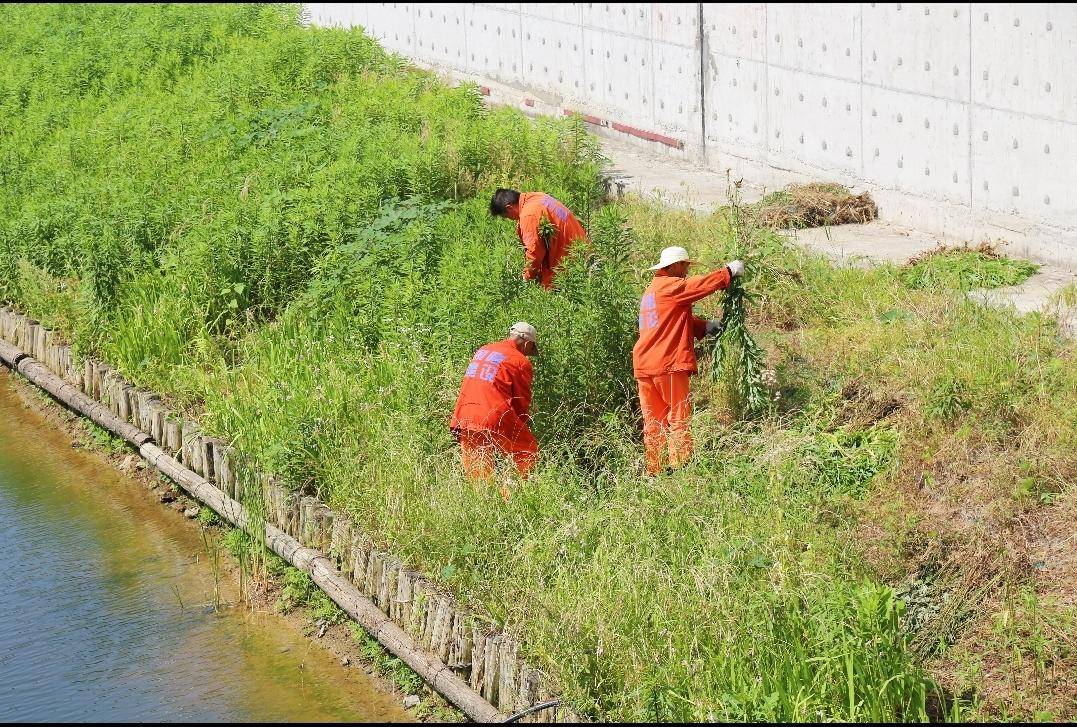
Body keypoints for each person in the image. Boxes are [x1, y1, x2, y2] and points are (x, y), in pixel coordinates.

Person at [632, 246, 745, 475]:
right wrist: (728, 272)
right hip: (668, 364)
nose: (686, 271)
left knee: (654, 423)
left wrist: (704, 326)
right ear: (672, 266)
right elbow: (699, 286)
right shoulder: (671, 286)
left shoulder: (651, 292)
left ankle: (656, 471)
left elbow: (668, 320)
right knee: (678, 416)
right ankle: (680, 468)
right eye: (684, 265)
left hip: (645, 366)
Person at [450, 322, 540, 498]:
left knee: (478, 472)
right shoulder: (520, 361)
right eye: (530, 350)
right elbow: (521, 403)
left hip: (465, 414)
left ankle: (483, 506)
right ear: (528, 344)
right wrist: (523, 426)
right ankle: (508, 498)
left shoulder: (485, 349)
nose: (528, 355)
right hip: (493, 415)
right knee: (527, 451)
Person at [489, 188, 588, 289]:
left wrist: (526, 279)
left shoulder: (529, 215)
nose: (509, 219)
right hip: (582, 250)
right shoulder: (537, 197)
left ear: (509, 208)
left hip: (568, 265)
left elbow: (534, 252)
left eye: (506, 216)